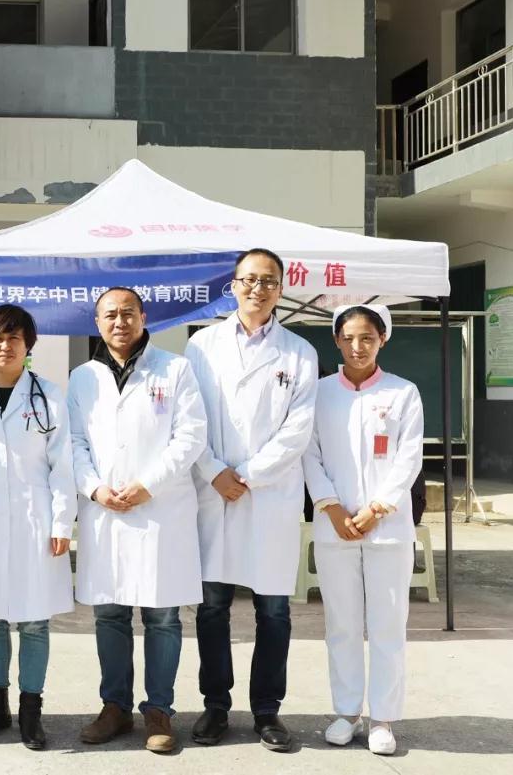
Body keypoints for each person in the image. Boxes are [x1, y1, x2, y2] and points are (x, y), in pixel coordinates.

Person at [184, 248, 318, 752]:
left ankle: (266, 711)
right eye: (249, 280)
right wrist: (214, 471)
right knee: (212, 609)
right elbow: (189, 419)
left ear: (280, 289)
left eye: (268, 281)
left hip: (269, 496)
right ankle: (216, 706)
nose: (257, 289)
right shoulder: (201, 346)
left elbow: (298, 429)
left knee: (274, 611)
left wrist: (249, 475)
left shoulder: (299, 353)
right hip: (214, 491)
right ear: (233, 286)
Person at [68, 287, 207, 754]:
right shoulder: (82, 378)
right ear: (97, 322)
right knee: (109, 613)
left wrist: (150, 484)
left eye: (128, 313)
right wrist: (94, 488)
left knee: (162, 616)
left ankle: (159, 709)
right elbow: (73, 443)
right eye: (110, 314)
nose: (119, 321)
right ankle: (115, 706)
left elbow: (191, 436)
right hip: (105, 510)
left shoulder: (175, 369)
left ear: (144, 317)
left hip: (160, 509)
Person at [0, 304, 76, 751]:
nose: (6, 346)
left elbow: (63, 465)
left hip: (34, 519)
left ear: (28, 345)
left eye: (15, 338)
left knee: (35, 621)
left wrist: (62, 521)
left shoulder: (49, 396)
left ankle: (31, 711)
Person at [303, 304, 423, 756]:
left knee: (388, 625)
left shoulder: (403, 393)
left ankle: (383, 718)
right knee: (342, 625)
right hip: (334, 527)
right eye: (349, 338)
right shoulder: (318, 393)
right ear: (336, 340)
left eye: (367, 338)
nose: (358, 346)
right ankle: (347, 712)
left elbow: (409, 457)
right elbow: (308, 453)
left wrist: (377, 509)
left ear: (382, 340)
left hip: (387, 529)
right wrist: (331, 507)